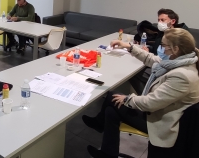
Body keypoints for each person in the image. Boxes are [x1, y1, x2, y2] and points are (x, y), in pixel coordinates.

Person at [82, 28, 199, 158]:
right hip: (159, 111)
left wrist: (128, 99)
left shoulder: (182, 76)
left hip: (163, 124)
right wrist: (129, 47)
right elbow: (151, 59)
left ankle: (99, 124)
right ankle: (107, 152)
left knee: (111, 97)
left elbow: (150, 103)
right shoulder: (178, 61)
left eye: (163, 45)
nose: (161, 48)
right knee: (111, 111)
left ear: (175, 49)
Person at [130, 8, 190, 94]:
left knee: (134, 73)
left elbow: (171, 59)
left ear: (172, 21)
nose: (160, 22)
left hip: (169, 69)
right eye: (158, 20)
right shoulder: (162, 33)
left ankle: (147, 97)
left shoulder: (179, 37)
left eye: (163, 20)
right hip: (158, 62)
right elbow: (157, 49)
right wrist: (149, 49)